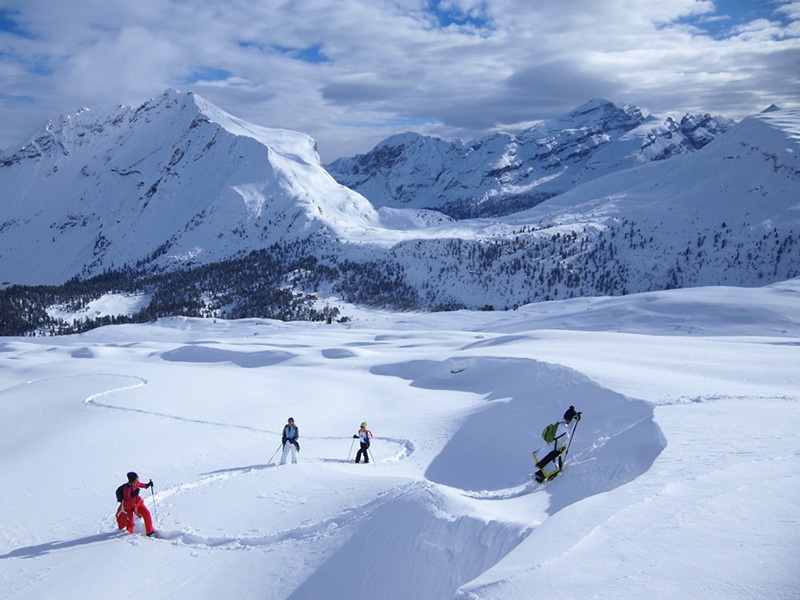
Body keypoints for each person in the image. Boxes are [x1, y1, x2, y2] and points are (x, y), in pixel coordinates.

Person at [534, 406, 581, 483]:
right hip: (553, 451)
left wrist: (575, 419)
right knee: (552, 466)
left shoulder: (561, 424)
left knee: (555, 467)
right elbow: (569, 429)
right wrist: (575, 420)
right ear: (569, 418)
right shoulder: (563, 426)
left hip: (555, 450)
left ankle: (546, 479)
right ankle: (540, 479)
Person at [117, 471, 155, 536]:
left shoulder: (136, 483)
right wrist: (133, 495)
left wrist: (148, 485)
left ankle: (149, 531)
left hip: (138, 503)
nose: (138, 479)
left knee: (147, 514)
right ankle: (129, 536)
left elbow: (142, 485)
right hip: (128, 508)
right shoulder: (127, 489)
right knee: (131, 523)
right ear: (133, 480)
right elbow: (126, 501)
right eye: (137, 478)